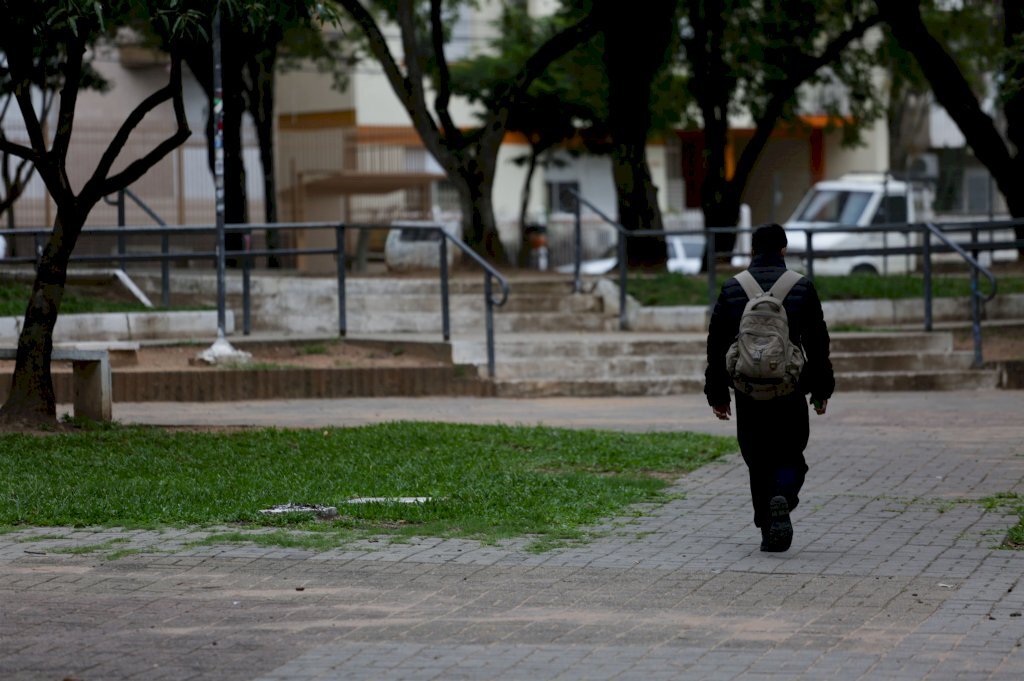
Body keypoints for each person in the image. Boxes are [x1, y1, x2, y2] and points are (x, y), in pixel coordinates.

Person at [704, 223, 834, 552]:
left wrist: (717, 393)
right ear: (784, 249)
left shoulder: (733, 288)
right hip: (790, 390)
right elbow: (818, 342)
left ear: (752, 250)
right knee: (791, 456)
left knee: (757, 459)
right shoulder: (801, 287)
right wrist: (821, 390)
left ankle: (768, 529)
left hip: (747, 391)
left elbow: (716, 344)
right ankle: (784, 497)